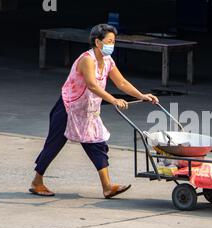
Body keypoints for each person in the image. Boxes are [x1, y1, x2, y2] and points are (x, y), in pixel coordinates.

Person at [30, 24, 159, 199]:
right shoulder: (86, 60)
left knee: (97, 145)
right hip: (68, 109)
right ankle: (37, 182)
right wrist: (113, 100)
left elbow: (121, 83)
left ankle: (107, 187)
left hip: (89, 111)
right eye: (109, 41)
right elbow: (92, 85)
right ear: (98, 42)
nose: (112, 45)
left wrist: (142, 96)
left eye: (114, 42)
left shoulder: (107, 61)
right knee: (54, 145)